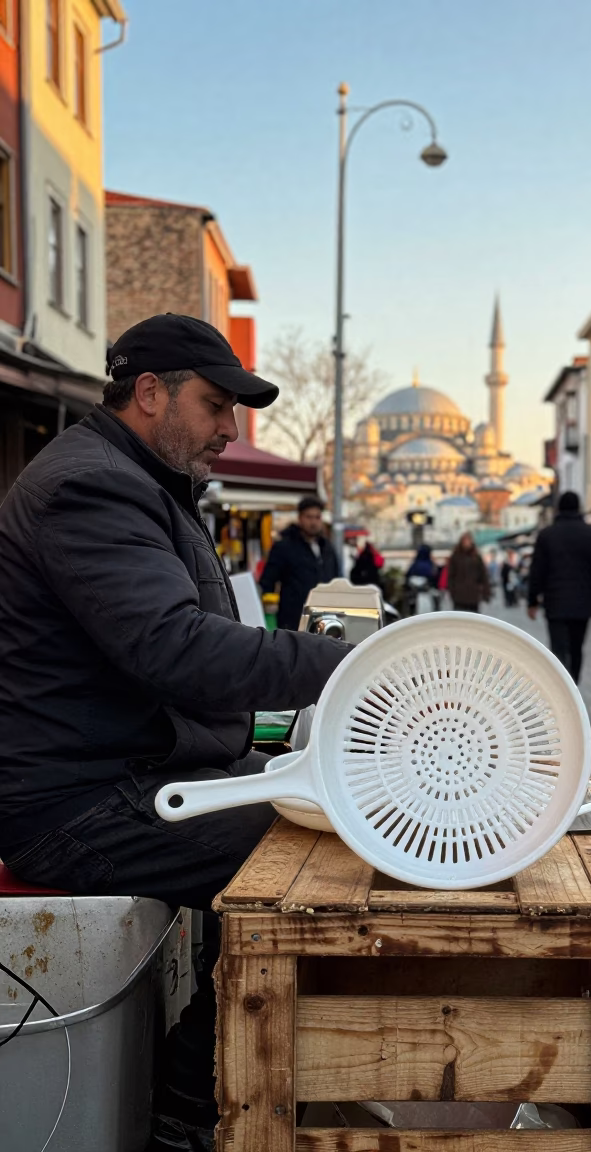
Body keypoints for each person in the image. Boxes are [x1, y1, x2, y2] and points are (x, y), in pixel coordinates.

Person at [0, 314, 352, 1150]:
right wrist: (342, 663)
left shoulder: (144, 481)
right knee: (314, 868)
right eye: (215, 403)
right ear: (149, 393)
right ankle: (191, 1106)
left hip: (137, 775)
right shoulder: (91, 486)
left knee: (321, 804)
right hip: (81, 805)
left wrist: (271, 741)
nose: (230, 427)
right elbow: (173, 648)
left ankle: (211, 1082)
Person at [527, 491, 591, 682]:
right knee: (576, 647)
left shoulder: (547, 535)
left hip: (555, 601)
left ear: (558, 509)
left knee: (558, 649)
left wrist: (533, 600)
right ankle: (573, 685)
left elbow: (537, 570)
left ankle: (563, 688)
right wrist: (589, 582)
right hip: (582, 600)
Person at [259, 495, 340, 629]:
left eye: (317, 517)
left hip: (325, 620)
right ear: (300, 518)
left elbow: (336, 580)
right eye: (309, 517)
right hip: (293, 621)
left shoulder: (327, 548)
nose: (313, 522)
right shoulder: (284, 547)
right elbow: (267, 581)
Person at [447, 532, 490, 612]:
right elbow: (451, 575)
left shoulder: (476, 557)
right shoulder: (456, 556)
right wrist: (452, 591)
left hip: (473, 594)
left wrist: (485, 593)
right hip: (459, 595)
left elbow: (483, 575)